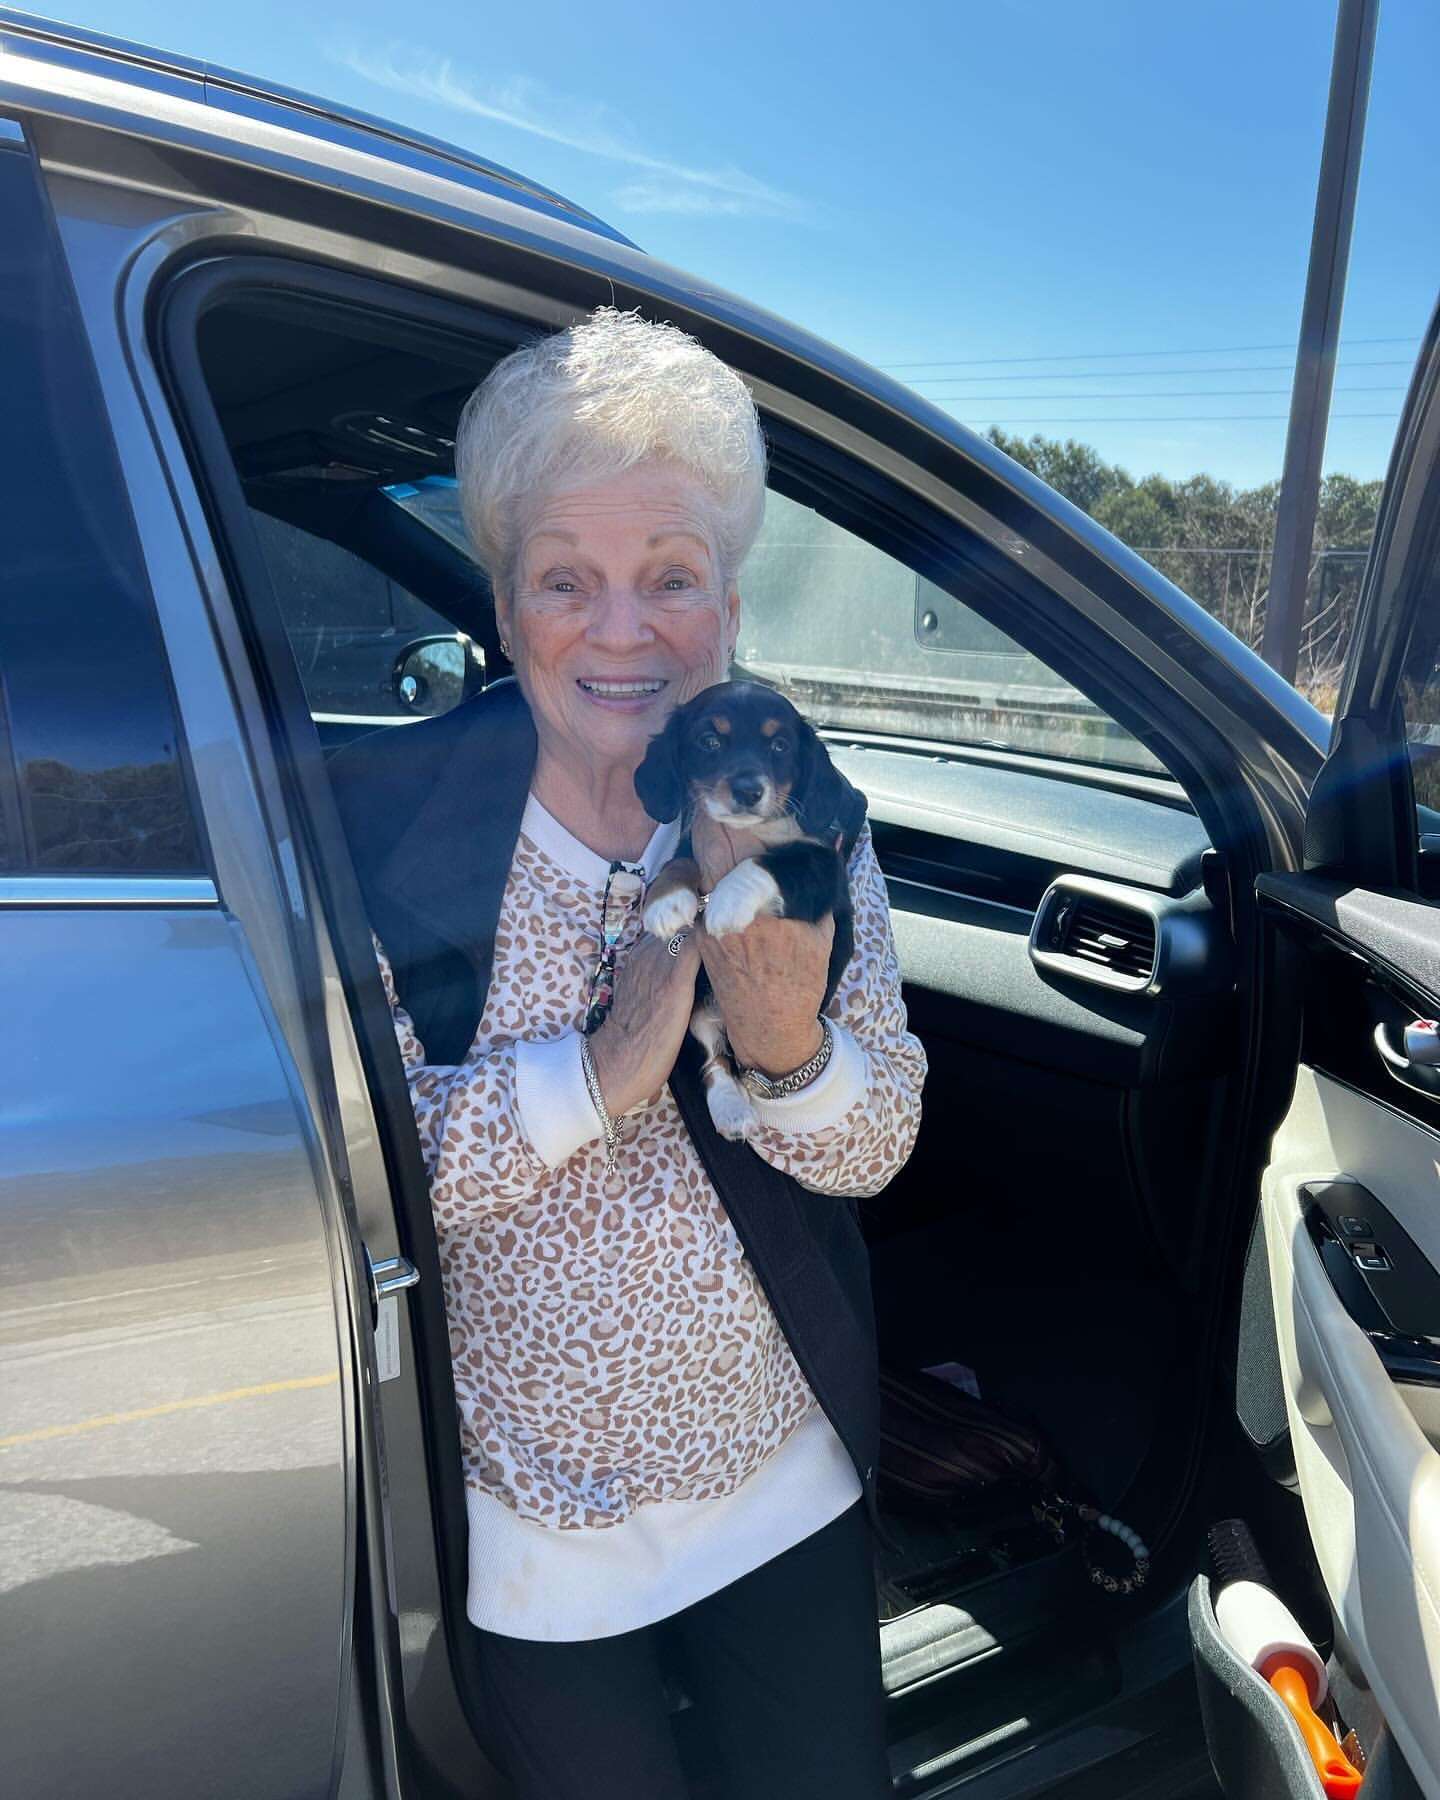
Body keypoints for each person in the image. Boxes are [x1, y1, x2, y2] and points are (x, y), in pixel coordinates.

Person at [330, 306, 926, 1799]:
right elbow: (368, 1180)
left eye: (669, 578)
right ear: (502, 601)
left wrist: (786, 1043)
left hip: (780, 1478)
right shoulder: (378, 829)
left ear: (727, 600)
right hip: (535, 1530)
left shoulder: (803, 812)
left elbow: (878, 1142)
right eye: (565, 581)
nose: (620, 629)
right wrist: (604, 1070)